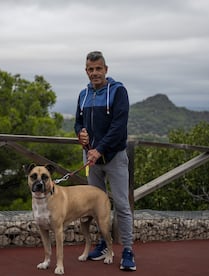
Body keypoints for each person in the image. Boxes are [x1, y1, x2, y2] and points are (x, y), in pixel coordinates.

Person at [74, 51, 136, 271]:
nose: (94, 73)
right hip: (91, 160)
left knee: (121, 205)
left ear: (106, 69)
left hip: (114, 158)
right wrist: (80, 134)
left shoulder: (118, 91)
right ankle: (103, 244)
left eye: (98, 68)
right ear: (86, 71)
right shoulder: (83, 94)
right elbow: (78, 123)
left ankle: (128, 250)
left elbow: (119, 128)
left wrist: (99, 150)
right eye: (90, 69)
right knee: (94, 207)